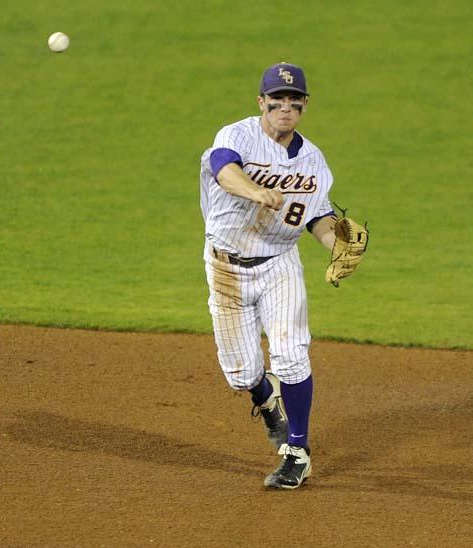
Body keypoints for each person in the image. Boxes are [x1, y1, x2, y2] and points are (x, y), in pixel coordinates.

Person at [199, 62, 343, 490]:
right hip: (225, 267)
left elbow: (318, 215)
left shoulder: (313, 161)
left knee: (292, 354)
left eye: (293, 101)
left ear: (303, 105)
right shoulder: (237, 135)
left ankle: (297, 451)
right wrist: (255, 190)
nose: (285, 108)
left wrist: (338, 245)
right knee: (241, 373)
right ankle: (264, 399)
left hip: (280, 262)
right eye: (276, 100)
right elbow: (224, 169)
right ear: (261, 102)